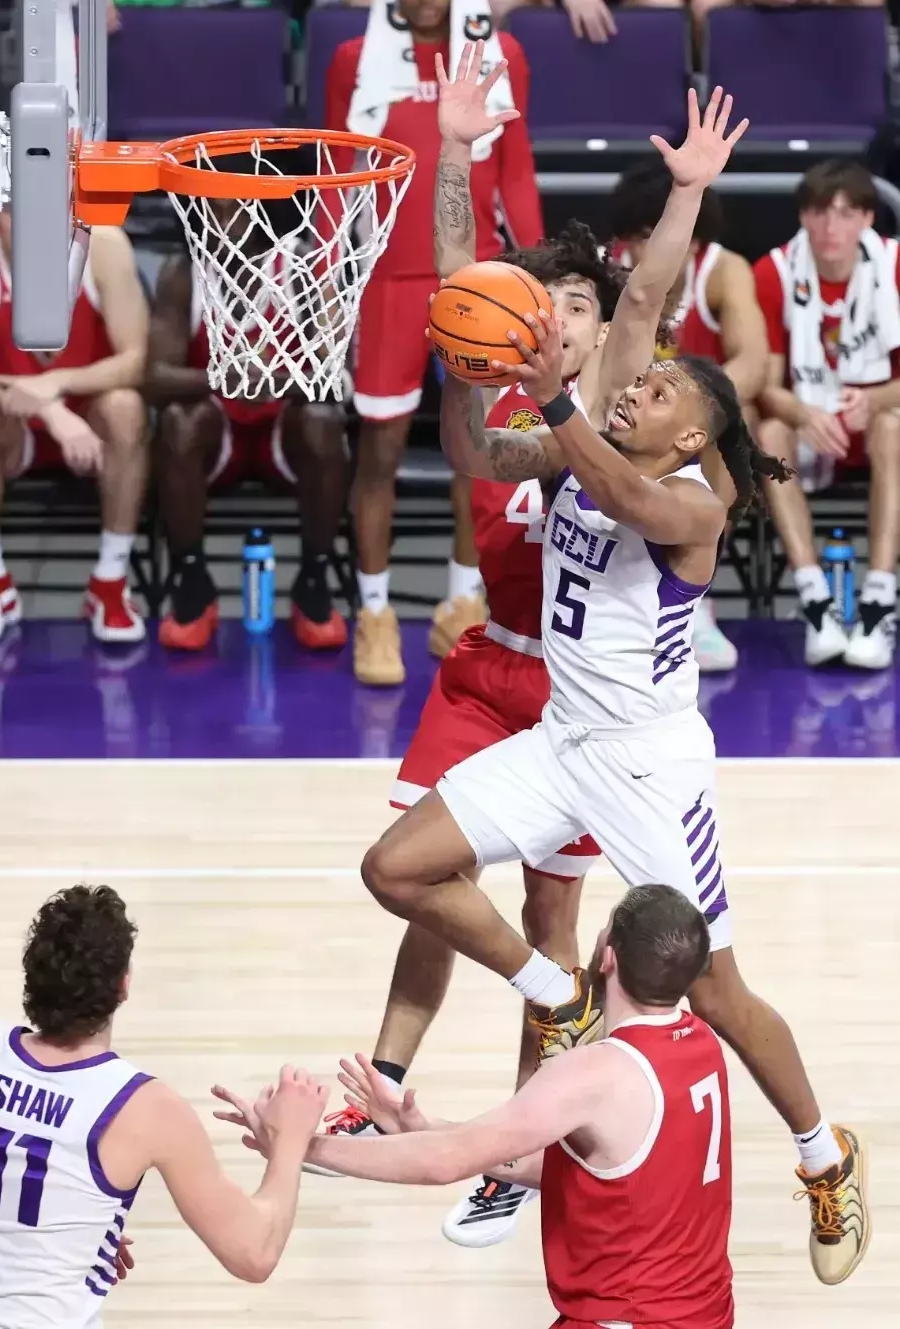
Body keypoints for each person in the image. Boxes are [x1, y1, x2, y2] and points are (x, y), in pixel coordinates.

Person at [356, 92, 871, 1287]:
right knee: (396, 869)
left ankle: (819, 1151)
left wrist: (683, 208)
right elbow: (494, 433)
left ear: (691, 436)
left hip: (647, 762)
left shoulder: (692, 505)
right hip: (559, 736)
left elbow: (624, 407)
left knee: (714, 987)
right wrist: (461, 168)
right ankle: (551, 993)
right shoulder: (569, 447)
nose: (637, 389)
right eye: (634, 386)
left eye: (660, 395)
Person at [314, 43, 606, 1251]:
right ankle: (384, 1087)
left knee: (548, 924)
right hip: (489, 667)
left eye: (582, 307)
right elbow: (452, 277)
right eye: (549, 304)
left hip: (581, 696)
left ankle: (526, 1153)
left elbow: (631, 324)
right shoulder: (490, 395)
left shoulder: (626, 415)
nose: (562, 319)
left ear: (604, 331)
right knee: (428, 891)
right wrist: (448, 146)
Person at [215, 886, 736, 1329]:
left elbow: (445, 1163)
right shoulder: (702, 1048)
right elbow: (583, 1169)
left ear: (608, 957)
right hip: (705, 1315)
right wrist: (419, 1125)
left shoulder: (594, 1073)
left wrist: (300, 1145)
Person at [0, 885, 328, 1327]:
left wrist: (68, 1223)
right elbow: (254, 1253)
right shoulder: (146, 1107)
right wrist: (291, 1140)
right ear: (123, 985)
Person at [325, 0, 543, 686]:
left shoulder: (501, 52)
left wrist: (535, 269)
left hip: (478, 280)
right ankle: (374, 611)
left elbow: (514, 165)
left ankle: (461, 601)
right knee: (379, 452)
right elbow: (337, 168)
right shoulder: (352, 60)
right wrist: (333, 267)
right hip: (387, 279)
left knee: (478, 454)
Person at [145, 196, 349, 653]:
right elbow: (153, 378)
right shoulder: (184, 274)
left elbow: (335, 377)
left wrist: (273, 380)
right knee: (178, 422)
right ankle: (193, 580)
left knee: (323, 420)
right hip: (218, 434)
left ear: (262, 212)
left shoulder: (300, 267)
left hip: (283, 432)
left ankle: (314, 580)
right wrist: (227, 378)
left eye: (231, 210)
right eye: (211, 211)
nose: (221, 222)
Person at [0, 211, 149, 645]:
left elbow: (134, 362)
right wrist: (50, 411)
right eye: (17, 206)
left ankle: (111, 581)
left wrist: (55, 386)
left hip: (89, 425)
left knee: (126, 407)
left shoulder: (104, 247)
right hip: (12, 429)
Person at [610, 157, 770, 673]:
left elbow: (752, 361)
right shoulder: (607, 270)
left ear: (694, 240)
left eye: (654, 235)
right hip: (615, 416)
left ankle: (691, 600)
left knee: (722, 440)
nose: (644, 250)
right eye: (636, 237)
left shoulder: (724, 270)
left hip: (683, 431)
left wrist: (695, 412)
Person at [753, 159, 900, 670]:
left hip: (876, 426)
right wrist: (800, 411)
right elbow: (765, 384)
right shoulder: (773, 271)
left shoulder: (896, 266)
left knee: (893, 425)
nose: (830, 227)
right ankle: (816, 601)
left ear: (866, 220)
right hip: (811, 426)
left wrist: (877, 399)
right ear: (803, 217)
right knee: (769, 429)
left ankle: (879, 601)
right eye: (819, 212)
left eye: (844, 213)